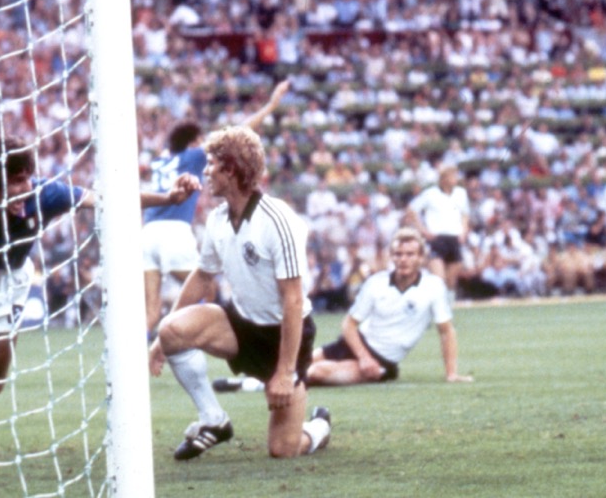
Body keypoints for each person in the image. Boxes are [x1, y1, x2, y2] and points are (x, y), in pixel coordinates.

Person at [0, 135, 197, 476]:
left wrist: (168, 197)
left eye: (29, 177)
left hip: (10, 281)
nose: (28, 187)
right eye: (17, 181)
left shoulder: (45, 194)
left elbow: (105, 199)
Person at [148, 125, 331, 461]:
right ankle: (214, 420)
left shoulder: (277, 220)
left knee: (283, 449)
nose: (204, 172)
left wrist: (285, 372)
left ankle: (319, 427)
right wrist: (161, 342)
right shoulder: (218, 219)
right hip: (240, 325)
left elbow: (292, 301)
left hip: (284, 337)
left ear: (230, 170)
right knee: (171, 329)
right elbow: (202, 278)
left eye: (210, 164)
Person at [219, 228, 471, 391]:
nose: (403, 259)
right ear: (392, 256)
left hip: (383, 360)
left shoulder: (433, 287)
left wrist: (451, 374)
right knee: (290, 362)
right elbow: (349, 325)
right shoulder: (376, 282)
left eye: (410, 254)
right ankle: (246, 384)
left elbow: (446, 331)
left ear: (420, 258)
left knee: (316, 372)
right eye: (399, 254)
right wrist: (363, 357)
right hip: (356, 345)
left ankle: (249, 385)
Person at [142, 79, 290, 336]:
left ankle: (136, 359)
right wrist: (270, 106)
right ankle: (202, 335)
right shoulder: (193, 155)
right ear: (192, 142)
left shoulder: (159, 161)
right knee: (205, 286)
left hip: (147, 233)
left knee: (151, 311)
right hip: (173, 232)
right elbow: (237, 134)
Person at [403, 164, 470, 298]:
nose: (455, 178)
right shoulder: (430, 194)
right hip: (437, 239)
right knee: (438, 280)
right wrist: (423, 230)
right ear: (444, 178)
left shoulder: (460, 193)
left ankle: (447, 313)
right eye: (452, 175)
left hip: (454, 238)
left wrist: (464, 232)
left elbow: (465, 214)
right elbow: (411, 210)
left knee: (451, 281)